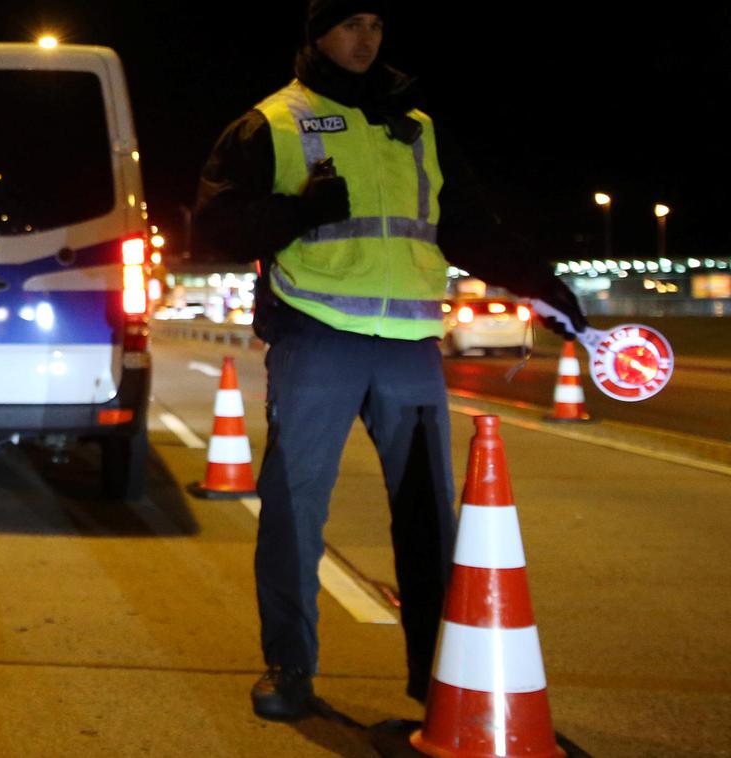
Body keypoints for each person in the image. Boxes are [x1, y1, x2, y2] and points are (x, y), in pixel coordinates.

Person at [191, 0, 588, 721]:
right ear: (316, 35)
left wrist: (542, 284)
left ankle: (436, 677)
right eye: (350, 25)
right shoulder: (270, 123)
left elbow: (467, 226)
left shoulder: (419, 129)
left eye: (375, 25)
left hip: (408, 346)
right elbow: (213, 230)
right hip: (316, 337)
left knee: (428, 518)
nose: (365, 39)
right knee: (293, 510)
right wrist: (296, 213)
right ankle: (289, 667)